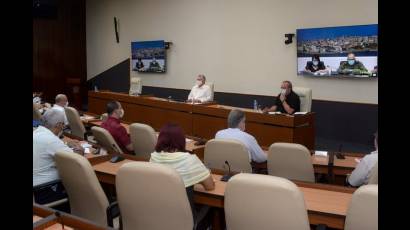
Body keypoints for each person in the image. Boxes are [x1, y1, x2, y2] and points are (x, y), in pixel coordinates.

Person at [150, 124, 215, 227]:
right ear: (181, 140)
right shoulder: (189, 160)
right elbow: (210, 186)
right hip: (185, 223)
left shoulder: (153, 157)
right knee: (213, 207)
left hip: (159, 218)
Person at [33, 109, 84, 204]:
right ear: (58, 125)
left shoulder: (37, 132)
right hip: (45, 190)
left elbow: (50, 147)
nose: (63, 127)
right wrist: (80, 150)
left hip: (36, 187)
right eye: (63, 124)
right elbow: (75, 161)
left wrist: (65, 143)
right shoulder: (51, 140)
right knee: (82, 190)